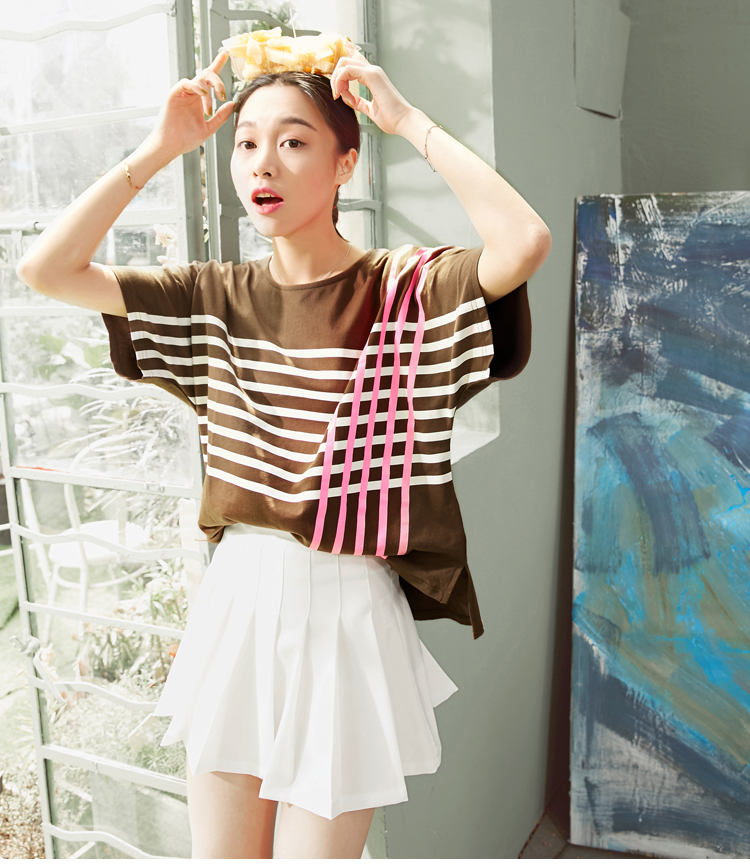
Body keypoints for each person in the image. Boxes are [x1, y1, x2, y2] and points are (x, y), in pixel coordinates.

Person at [16, 42, 550, 859]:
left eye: (295, 141)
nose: (264, 163)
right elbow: (46, 267)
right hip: (238, 602)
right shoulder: (212, 297)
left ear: (345, 164)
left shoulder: (401, 288)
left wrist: (409, 121)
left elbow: (524, 242)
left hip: (346, 609)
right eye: (247, 143)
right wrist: (160, 147)